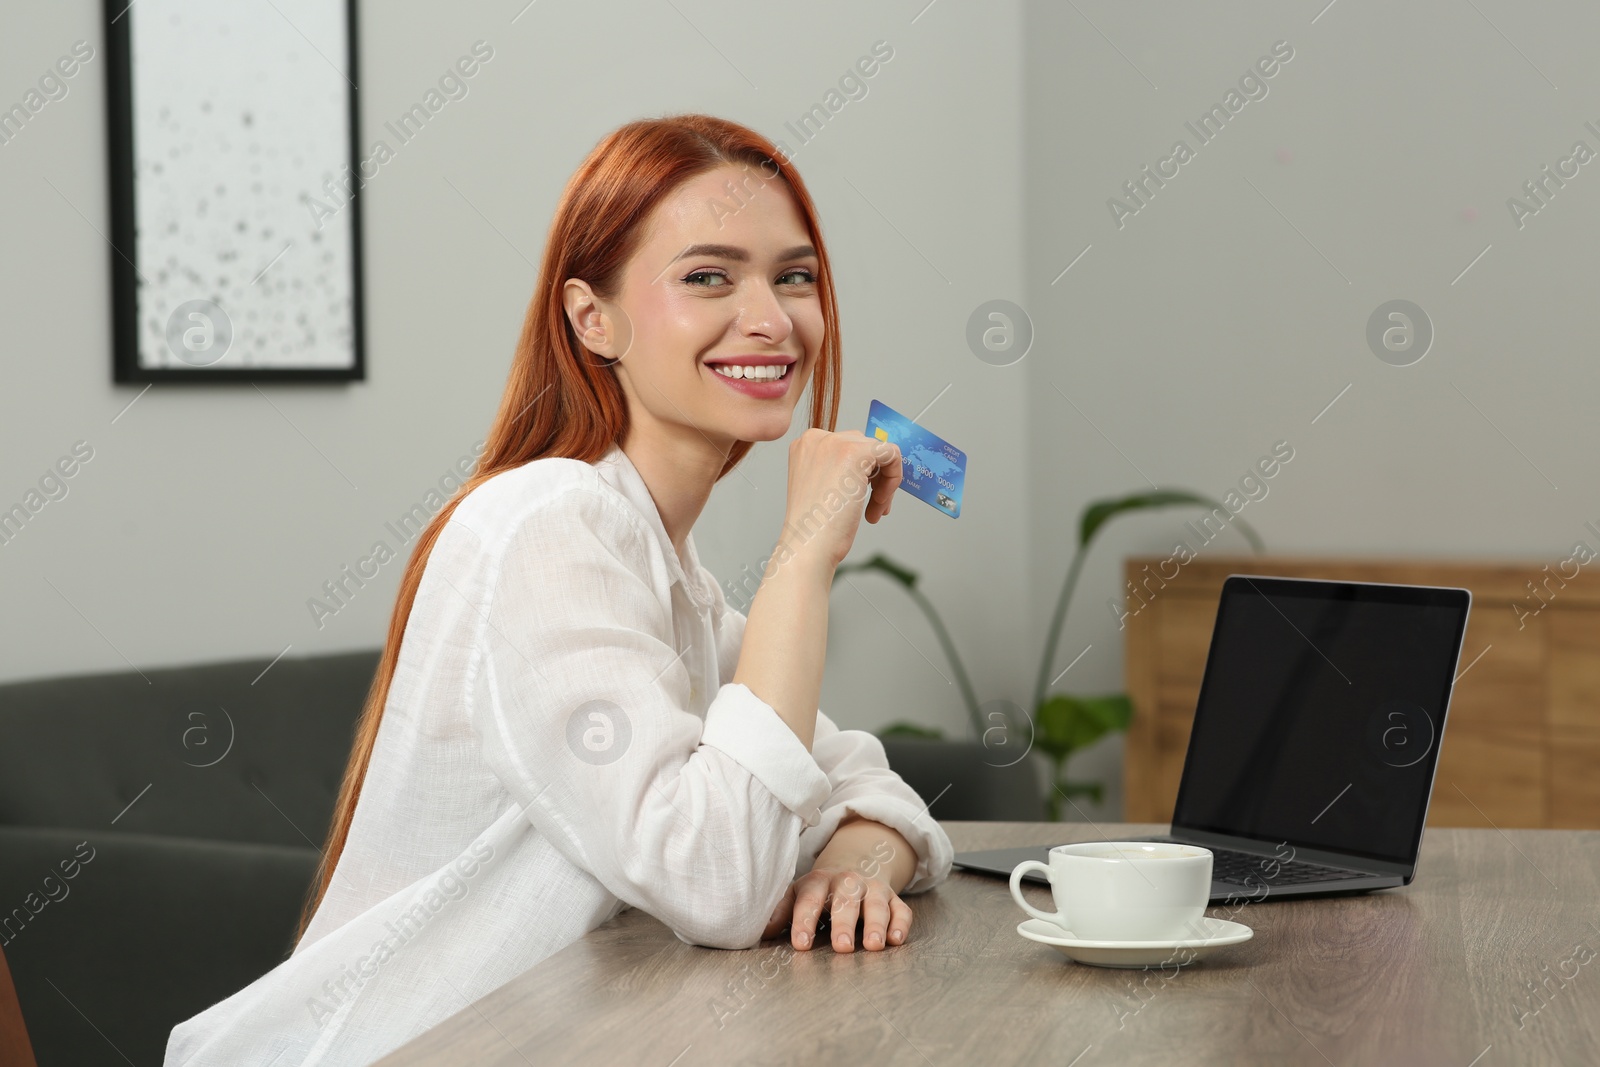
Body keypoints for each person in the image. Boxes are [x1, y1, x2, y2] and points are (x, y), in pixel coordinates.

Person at [164, 113, 953, 1066]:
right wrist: (803, 553)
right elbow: (720, 881)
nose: (772, 318)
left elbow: (872, 786)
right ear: (593, 318)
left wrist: (855, 862)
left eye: (794, 276)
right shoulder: (548, 523)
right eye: (708, 276)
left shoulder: (670, 580)